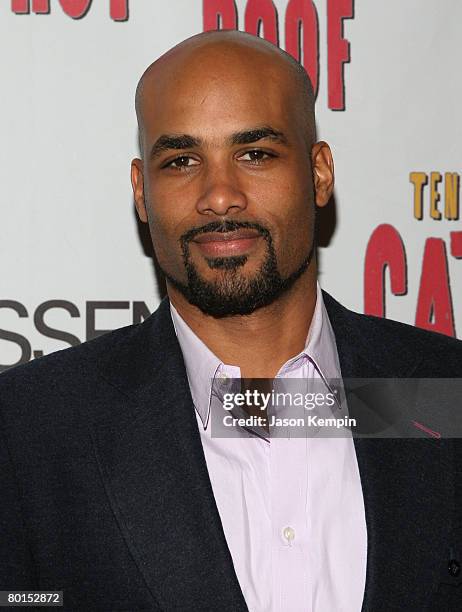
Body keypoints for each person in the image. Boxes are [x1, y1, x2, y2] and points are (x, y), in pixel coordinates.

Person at [1, 30, 461, 612]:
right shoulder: (31, 430)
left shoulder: (444, 393)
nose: (220, 195)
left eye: (255, 154)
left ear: (319, 174)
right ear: (142, 191)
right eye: (182, 160)